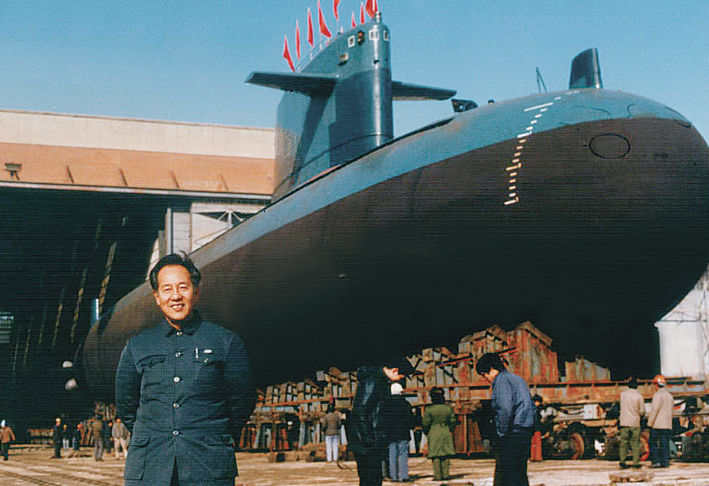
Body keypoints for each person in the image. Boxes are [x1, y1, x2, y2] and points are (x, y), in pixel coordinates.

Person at [116, 253, 256, 486]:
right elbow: (126, 405)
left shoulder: (226, 342)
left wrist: (211, 436)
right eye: (167, 289)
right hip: (150, 468)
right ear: (157, 297)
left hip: (208, 468)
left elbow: (242, 401)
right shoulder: (137, 346)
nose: (176, 296)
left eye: (183, 287)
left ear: (196, 291)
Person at [349, 357, 412, 486]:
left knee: (374, 480)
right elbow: (360, 412)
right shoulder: (373, 382)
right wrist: (369, 440)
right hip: (367, 444)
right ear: (395, 370)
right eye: (401, 376)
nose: (400, 379)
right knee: (370, 480)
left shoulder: (379, 381)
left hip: (372, 442)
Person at [476, 353, 534, 486]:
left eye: (484, 375)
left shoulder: (501, 381)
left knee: (505, 477)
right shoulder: (518, 379)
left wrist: (501, 432)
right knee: (520, 476)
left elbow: (504, 409)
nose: (486, 379)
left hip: (510, 434)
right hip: (524, 433)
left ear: (492, 369)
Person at [422, 387, 456, 482]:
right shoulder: (448, 409)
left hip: (434, 432)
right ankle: (446, 474)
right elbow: (453, 421)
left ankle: (437, 475)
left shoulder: (429, 409)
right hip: (445, 431)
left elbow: (425, 423)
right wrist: (450, 428)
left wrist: (426, 431)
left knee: (435, 454)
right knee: (446, 453)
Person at [384, 382, 412, 483]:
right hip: (403, 433)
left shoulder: (386, 404)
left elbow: (383, 420)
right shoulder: (406, 404)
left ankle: (394, 476)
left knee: (392, 455)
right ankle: (404, 476)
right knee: (403, 455)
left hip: (390, 434)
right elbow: (410, 419)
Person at [619, 378, 645, 469]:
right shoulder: (639, 396)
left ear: (628, 386)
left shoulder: (623, 395)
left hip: (624, 422)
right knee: (635, 443)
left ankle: (622, 462)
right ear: (637, 386)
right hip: (635, 423)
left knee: (624, 443)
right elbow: (642, 411)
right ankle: (635, 462)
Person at [648, 374, 672, 468]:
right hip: (666, 424)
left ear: (656, 385)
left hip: (657, 424)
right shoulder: (669, 396)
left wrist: (650, 423)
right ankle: (665, 462)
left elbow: (654, 410)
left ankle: (655, 462)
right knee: (664, 444)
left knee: (653, 443)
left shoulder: (657, 395)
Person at [530, 395, 544, 462]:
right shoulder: (536, 409)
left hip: (531, 428)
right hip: (537, 427)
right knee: (538, 443)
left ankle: (532, 457)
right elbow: (538, 418)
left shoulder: (530, 408)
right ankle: (538, 457)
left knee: (533, 443)